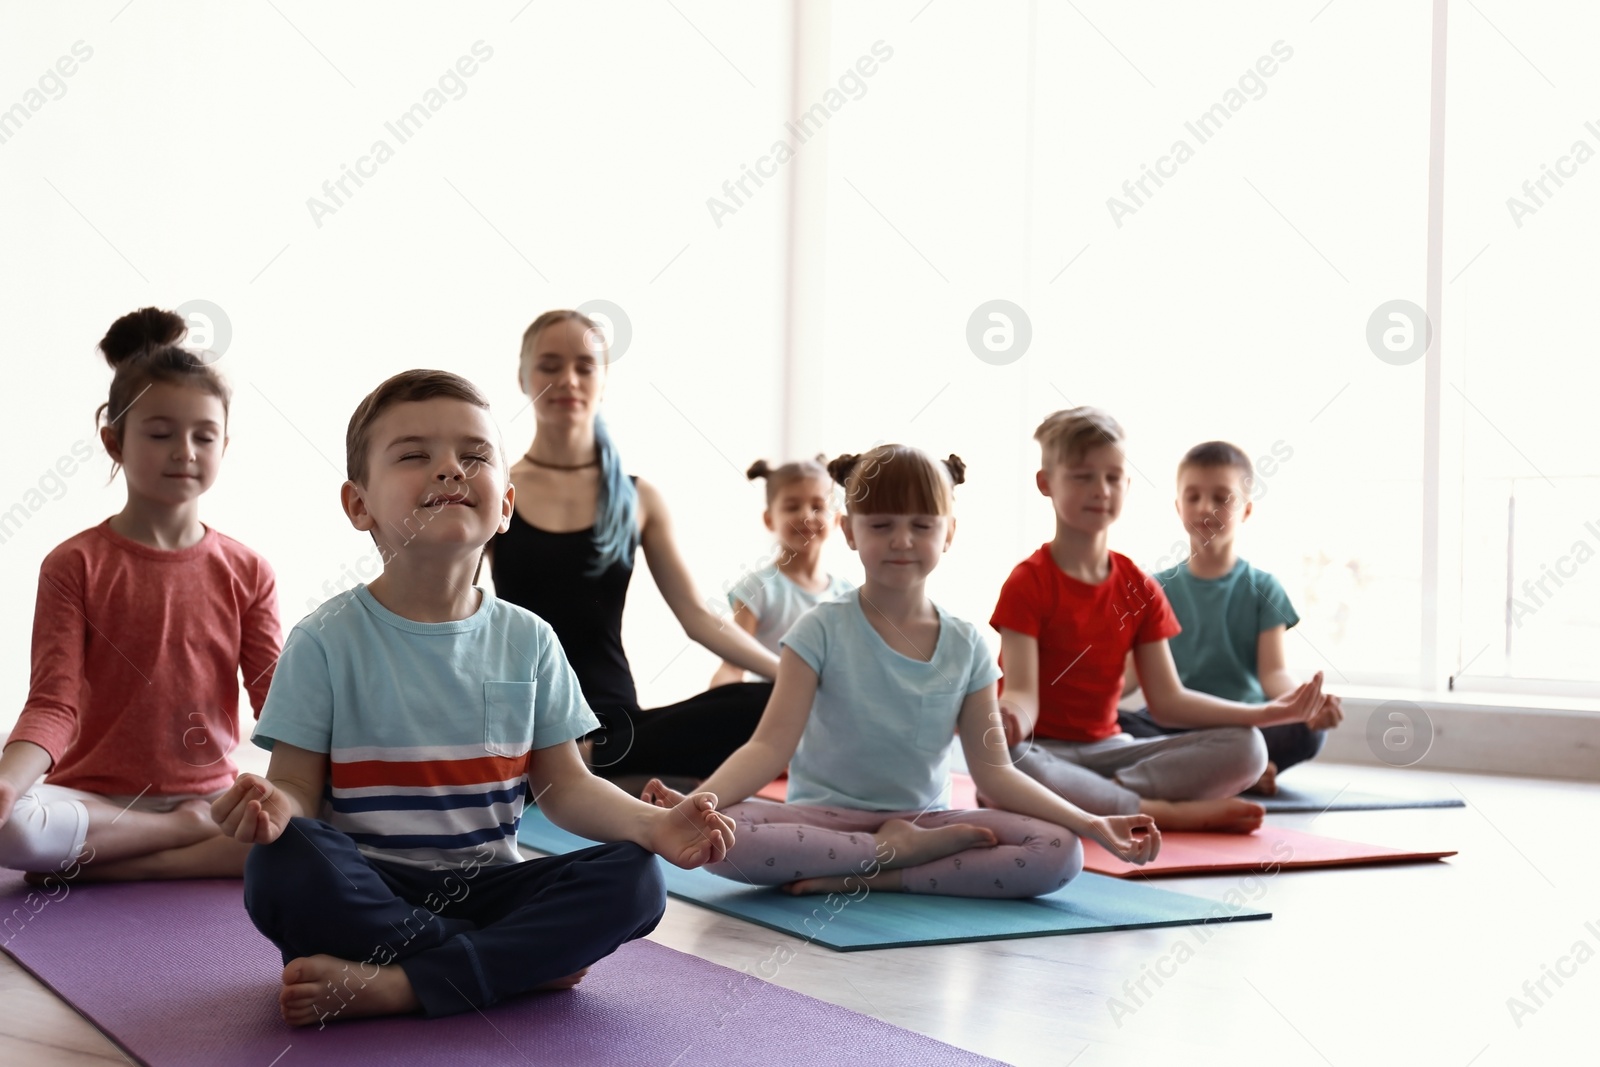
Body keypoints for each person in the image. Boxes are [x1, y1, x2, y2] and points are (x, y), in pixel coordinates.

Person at [217, 369, 734, 1026]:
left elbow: (566, 788)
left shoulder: (531, 639)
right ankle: (500, 965)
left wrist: (653, 825)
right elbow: (296, 788)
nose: (450, 470)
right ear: (358, 504)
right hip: (372, 886)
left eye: (474, 455)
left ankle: (402, 983)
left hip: (490, 886)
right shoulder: (323, 640)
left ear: (507, 503)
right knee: (281, 862)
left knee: (637, 879)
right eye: (414, 454)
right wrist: (271, 806)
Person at [643, 445, 1160, 899]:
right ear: (849, 531)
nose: (902, 541)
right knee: (727, 836)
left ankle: (883, 869)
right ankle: (884, 853)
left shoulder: (968, 644)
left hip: (929, 821)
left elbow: (994, 773)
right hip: (821, 819)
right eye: (881, 525)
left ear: (949, 533)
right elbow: (767, 748)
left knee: (1060, 851)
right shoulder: (818, 629)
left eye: (921, 526)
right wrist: (693, 805)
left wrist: (1091, 823)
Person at [0, 307, 280, 881]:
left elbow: (275, 699)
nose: (185, 451)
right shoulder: (73, 565)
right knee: (12, 827)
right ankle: (182, 840)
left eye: (204, 436)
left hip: (210, 796)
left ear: (225, 444)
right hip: (94, 801)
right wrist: (6, 782)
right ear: (114, 441)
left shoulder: (248, 569)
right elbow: (53, 705)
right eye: (160, 433)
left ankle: (118, 869)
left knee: (321, 823)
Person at [990, 408, 1340, 834]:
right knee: (1001, 760)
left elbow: (1169, 701)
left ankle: (1098, 800)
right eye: (1082, 476)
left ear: (1128, 484)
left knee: (1248, 746)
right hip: (1041, 750)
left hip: (1112, 751)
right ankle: (1161, 811)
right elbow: (1023, 692)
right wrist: (1009, 719)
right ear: (1046, 483)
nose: (1100, 489)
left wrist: (1270, 712)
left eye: (1113, 477)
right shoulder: (1028, 581)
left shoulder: (1141, 588)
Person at [488, 310, 780, 781]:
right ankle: (549, 761)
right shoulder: (495, 490)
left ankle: (581, 763)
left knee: (764, 703)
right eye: (549, 365)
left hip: (611, 726)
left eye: (585, 366)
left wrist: (793, 677)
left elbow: (697, 617)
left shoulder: (638, 497)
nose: (568, 379)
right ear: (523, 377)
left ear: (603, 380)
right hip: (519, 717)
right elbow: (449, 608)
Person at [1118, 441, 1340, 795]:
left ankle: (1224, 771)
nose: (1205, 507)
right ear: (1178, 507)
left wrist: (1305, 706)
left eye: (1222, 498)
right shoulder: (1154, 589)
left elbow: (1273, 673)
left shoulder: (1264, 587)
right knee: (1116, 726)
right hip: (1175, 725)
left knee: (1308, 731)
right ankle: (1242, 774)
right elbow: (1129, 676)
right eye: (1193, 497)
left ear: (1247, 510)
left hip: (1244, 723)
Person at [710, 456, 854, 687]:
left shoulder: (848, 595)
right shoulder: (757, 589)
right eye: (792, 507)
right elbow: (733, 666)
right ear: (769, 519)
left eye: (818, 507)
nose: (806, 516)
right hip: (772, 706)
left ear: (837, 519)